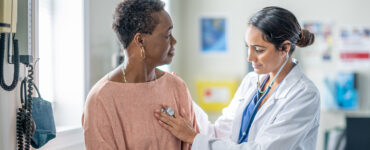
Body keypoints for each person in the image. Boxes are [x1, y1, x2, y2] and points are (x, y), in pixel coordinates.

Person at [154, 6, 320, 150]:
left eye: (259, 50)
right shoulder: (251, 81)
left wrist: (192, 138)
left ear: (284, 48)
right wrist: (185, 97)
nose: (250, 58)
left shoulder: (304, 94)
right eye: (248, 47)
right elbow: (219, 134)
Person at [82, 0, 198, 149]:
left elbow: (194, 143)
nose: (174, 41)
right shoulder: (101, 98)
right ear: (140, 40)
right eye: (167, 35)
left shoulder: (177, 87)